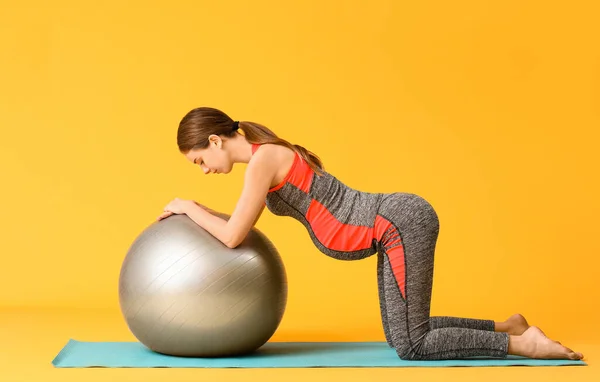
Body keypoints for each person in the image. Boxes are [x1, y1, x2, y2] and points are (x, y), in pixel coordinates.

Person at [157, 106, 584, 361]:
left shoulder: (264, 159)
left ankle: (524, 345)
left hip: (397, 223)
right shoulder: (263, 161)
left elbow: (232, 236)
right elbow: (239, 223)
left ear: (214, 140)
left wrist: (189, 207)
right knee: (403, 331)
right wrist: (197, 212)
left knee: (411, 344)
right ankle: (506, 326)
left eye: (198, 161)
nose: (204, 170)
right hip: (390, 228)